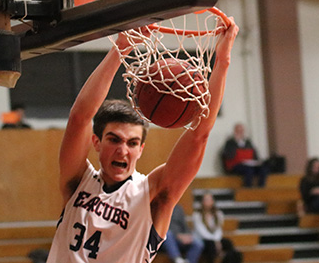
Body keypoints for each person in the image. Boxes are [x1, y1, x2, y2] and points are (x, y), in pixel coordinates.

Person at [44, 18, 238, 263]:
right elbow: (80, 117)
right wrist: (121, 48)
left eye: (132, 143)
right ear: (96, 143)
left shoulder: (153, 194)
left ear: (140, 149)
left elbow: (199, 136)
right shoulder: (77, 181)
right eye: (114, 140)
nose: (122, 150)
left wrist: (223, 61)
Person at [192, 192, 243, 263]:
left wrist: (217, 241)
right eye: (206, 200)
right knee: (211, 246)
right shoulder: (197, 215)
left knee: (228, 243)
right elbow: (202, 232)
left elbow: (219, 230)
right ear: (202, 202)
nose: (207, 202)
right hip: (203, 239)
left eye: (209, 200)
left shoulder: (218, 214)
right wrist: (215, 241)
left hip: (216, 239)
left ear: (213, 201)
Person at [221, 123, 267, 188]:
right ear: (235, 132)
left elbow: (255, 155)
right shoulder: (230, 143)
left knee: (263, 169)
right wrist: (237, 142)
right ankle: (247, 189)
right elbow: (228, 156)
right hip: (236, 166)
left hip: (249, 164)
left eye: (241, 131)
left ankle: (260, 188)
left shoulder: (248, 142)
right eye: (238, 131)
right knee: (248, 170)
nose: (240, 133)